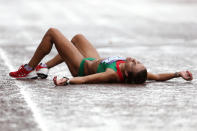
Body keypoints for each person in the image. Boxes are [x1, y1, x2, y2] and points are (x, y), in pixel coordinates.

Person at [9, 28, 193, 86]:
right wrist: (178, 73)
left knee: (52, 33)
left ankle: (29, 69)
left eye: (132, 64)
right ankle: (45, 66)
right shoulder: (141, 73)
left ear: (126, 75)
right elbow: (159, 77)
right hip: (92, 59)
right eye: (138, 62)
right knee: (78, 38)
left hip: (81, 66)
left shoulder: (112, 75)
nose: (134, 60)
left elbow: (87, 79)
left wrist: (67, 81)